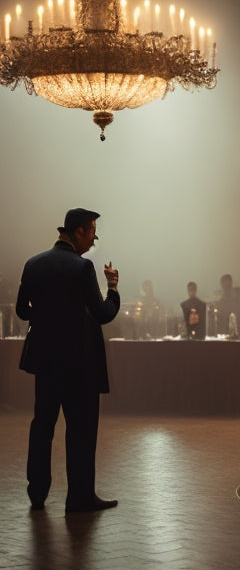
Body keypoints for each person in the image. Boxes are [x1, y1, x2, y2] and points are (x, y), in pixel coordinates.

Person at [15, 208, 120, 512]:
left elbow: (23, 310)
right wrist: (112, 289)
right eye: (92, 232)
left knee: (42, 425)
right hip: (79, 363)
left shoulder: (33, 264)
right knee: (81, 429)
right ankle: (80, 497)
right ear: (78, 232)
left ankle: (37, 494)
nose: (93, 239)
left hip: (45, 361)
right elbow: (102, 314)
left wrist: (47, 320)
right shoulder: (82, 267)